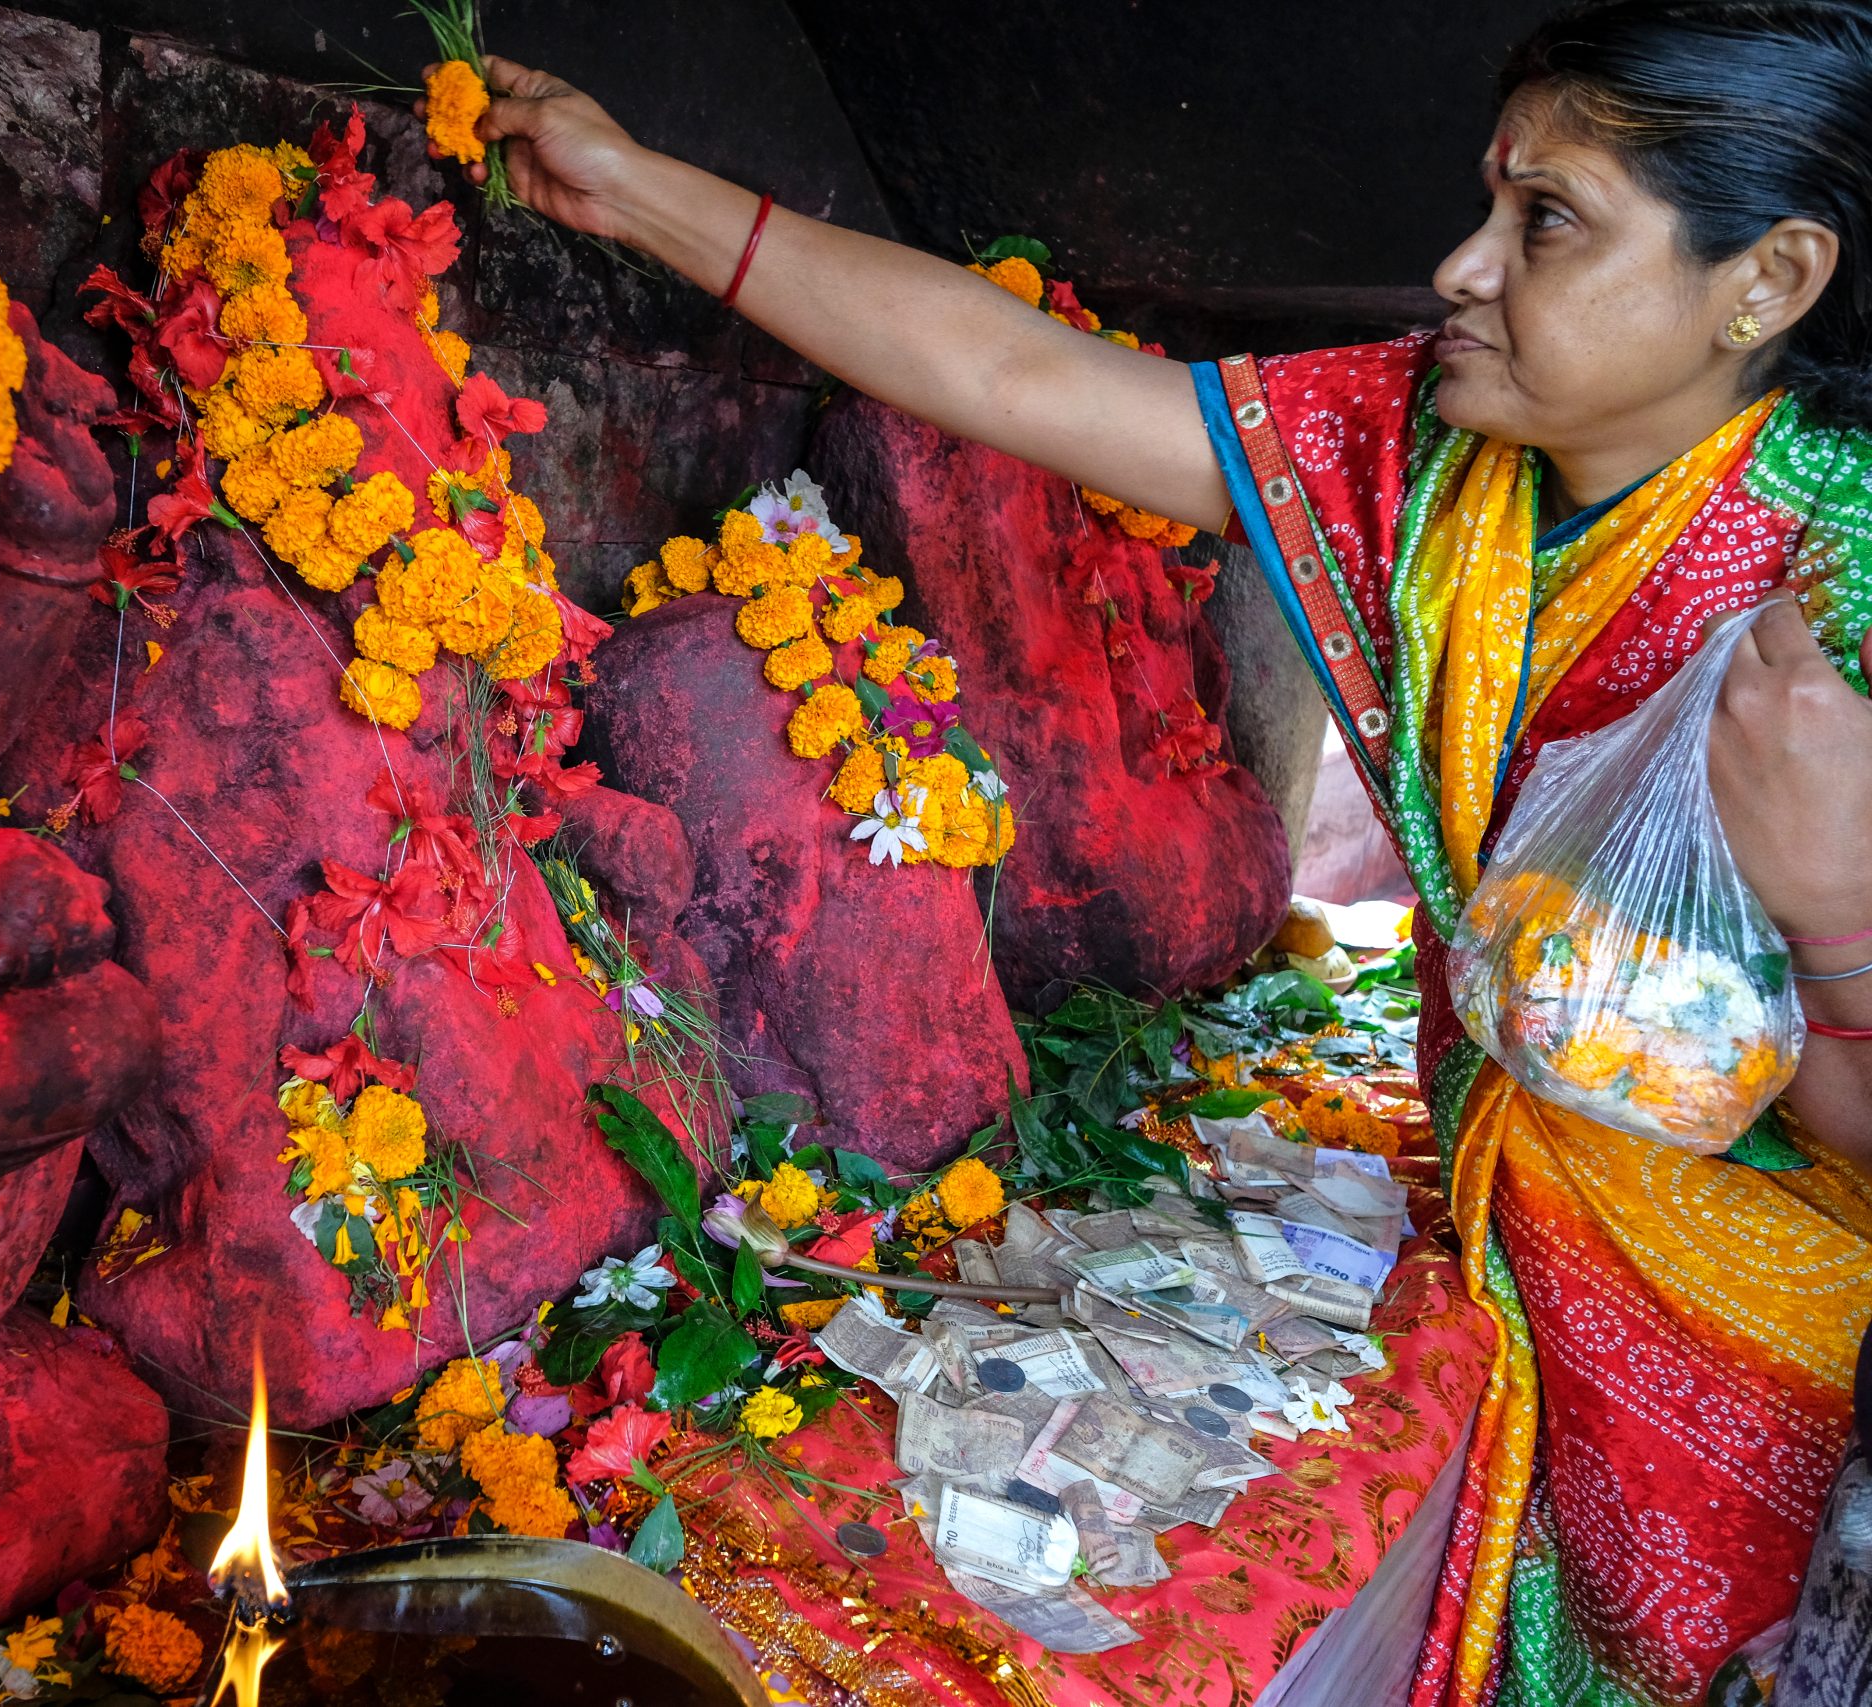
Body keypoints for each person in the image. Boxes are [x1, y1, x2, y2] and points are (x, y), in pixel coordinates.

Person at [439, 2, 1872, 1702]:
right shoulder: (1427, 452)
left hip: (1771, 1352)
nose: (1460, 267)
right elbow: (1014, 374)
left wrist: (1844, 914)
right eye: (1490, 203)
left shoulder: (1838, 585)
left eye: (1546, 223)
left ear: (1769, 281)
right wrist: (643, 190)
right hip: (1517, 1263)